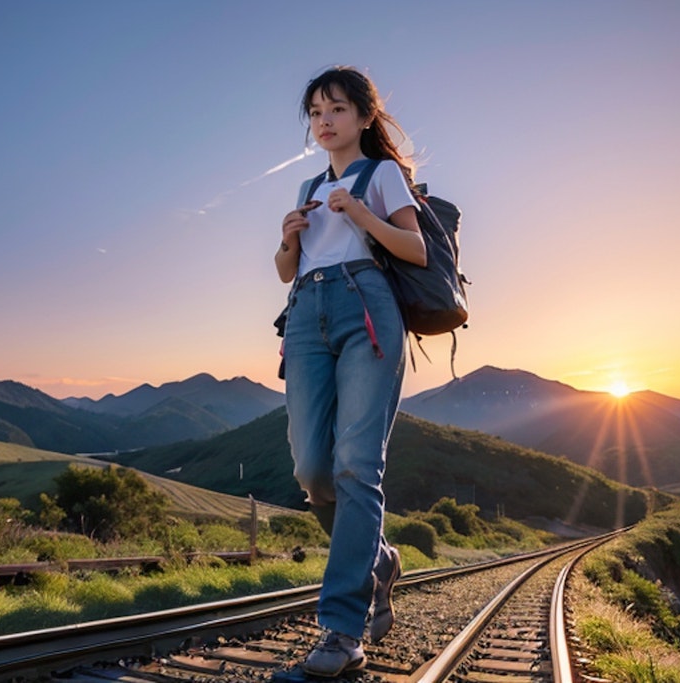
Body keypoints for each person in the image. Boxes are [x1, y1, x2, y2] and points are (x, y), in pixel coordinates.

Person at [274, 66, 427, 679]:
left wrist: (361, 215)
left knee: (355, 465)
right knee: (311, 469)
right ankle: (379, 561)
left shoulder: (383, 174)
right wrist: (288, 240)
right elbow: (288, 272)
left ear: (364, 116)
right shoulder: (309, 183)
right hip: (306, 310)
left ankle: (342, 629)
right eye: (315, 112)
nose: (324, 121)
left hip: (366, 308)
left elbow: (413, 250)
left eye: (335, 109)